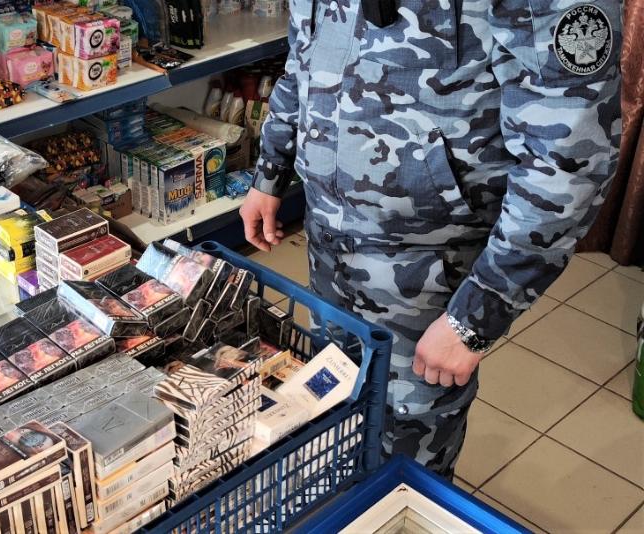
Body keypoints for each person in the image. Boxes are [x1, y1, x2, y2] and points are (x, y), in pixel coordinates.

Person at [239, 0, 622, 478]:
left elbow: (568, 160)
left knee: (407, 464)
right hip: (327, 245)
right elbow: (303, 56)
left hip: (430, 269)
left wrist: (476, 316)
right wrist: (270, 172)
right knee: (333, 415)